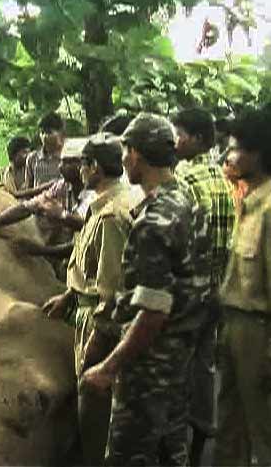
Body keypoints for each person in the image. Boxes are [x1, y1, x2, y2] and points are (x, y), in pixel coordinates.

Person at [81, 113, 211, 466]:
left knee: (130, 455)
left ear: (135, 154)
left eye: (125, 151)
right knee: (171, 452)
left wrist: (109, 366)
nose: (123, 160)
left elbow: (153, 312)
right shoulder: (186, 199)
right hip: (180, 361)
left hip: (148, 368)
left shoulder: (154, 220)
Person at [39, 133, 131, 465]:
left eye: (82, 164)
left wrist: (98, 342)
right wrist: (68, 294)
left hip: (98, 320)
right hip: (86, 306)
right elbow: (92, 262)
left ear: (95, 167)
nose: (78, 170)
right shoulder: (105, 201)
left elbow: (112, 287)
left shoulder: (110, 214)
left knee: (95, 406)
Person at [170, 108, 236, 465]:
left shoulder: (186, 180)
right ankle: (202, 436)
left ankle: (179, 446)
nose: (175, 141)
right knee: (204, 364)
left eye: (178, 134)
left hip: (189, 293)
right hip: (216, 290)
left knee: (178, 367)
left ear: (197, 139)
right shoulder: (220, 176)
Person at [0, 138, 93, 279]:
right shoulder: (62, 186)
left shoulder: (95, 193)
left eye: (67, 162)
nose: (60, 167)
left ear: (82, 165)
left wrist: (39, 250)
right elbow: (26, 208)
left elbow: (85, 238)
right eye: (61, 161)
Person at [215, 110, 271, 467]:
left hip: (259, 332)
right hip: (233, 324)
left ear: (258, 153)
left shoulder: (268, 209)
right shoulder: (246, 202)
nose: (229, 157)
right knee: (229, 424)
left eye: (236, 149)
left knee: (263, 428)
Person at [15, 112, 65, 199]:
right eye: (42, 132)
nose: (44, 137)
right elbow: (28, 187)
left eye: (49, 132)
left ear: (60, 133)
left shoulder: (67, 158)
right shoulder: (32, 159)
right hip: (38, 207)